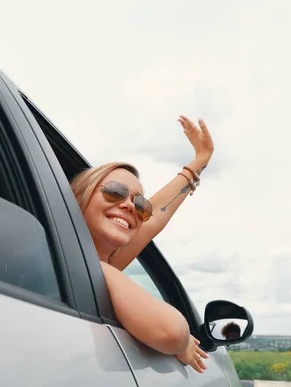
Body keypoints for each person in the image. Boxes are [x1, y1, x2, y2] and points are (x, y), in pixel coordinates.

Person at [70, 115, 214, 373]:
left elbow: (156, 215)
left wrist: (199, 162)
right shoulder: (84, 266)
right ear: (78, 198)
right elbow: (171, 332)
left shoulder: (96, 265)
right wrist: (98, 267)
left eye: (140, 205)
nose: (129, 206)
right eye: (114, 191)